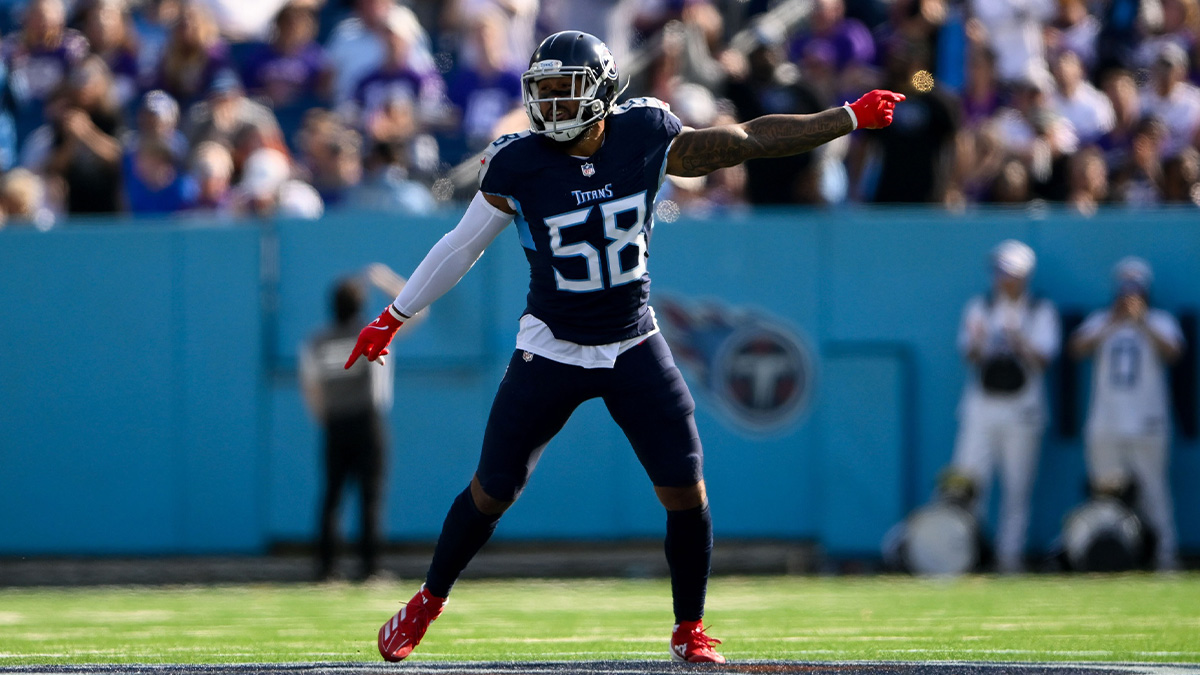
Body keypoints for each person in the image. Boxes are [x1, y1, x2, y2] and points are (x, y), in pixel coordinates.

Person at [342, 30, 904, 664]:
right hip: (551, 344)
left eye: (565, 90)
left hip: (632, 340)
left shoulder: (644, 135)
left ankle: (688, 629)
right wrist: (394, 315)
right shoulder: (517, 162)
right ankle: (427, 600)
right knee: (493, 488)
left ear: (603, 92)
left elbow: (745, 140)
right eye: (543, 91)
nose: (551, 105)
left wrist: (845, 117)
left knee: (686, 489)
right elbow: (462, 245)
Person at [300, 265, 425, 582]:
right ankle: (369, 569)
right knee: (371, 497)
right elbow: (419, 310)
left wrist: (324, 419)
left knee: (332, 496)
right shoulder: (374, 331)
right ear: (359, 305)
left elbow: (311, 388)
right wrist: (385, 281)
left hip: (335, 423)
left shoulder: (317, 341)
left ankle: (327, 570)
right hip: (368, 422)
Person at [950, 239, 1060, 573]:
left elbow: (1044, 359)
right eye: (998, 271)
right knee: (969, 483)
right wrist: (982, 340)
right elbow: (968, 354)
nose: (1002, 278)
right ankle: (966, 553)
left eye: (1009, 272)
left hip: (1023, 410)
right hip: (982, 407)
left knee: (1017, 489)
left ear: (1024, 276)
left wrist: (1018, 339)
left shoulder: (1040, 310)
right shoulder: (980, 306)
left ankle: (1009, 557)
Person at [1068, 257, 1184, 571]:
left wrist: (1141, 321)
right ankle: (1109, 557)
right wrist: (1114, 322)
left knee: (1154, 491)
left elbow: (1174, 352)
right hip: (1106, 420)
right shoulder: (1101, 319)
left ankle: (1165, 556)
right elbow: (1077, 348)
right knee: (1105, 495)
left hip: (1148, 420)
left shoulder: (1160, 320)